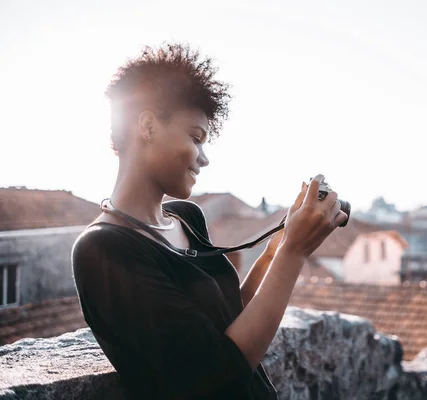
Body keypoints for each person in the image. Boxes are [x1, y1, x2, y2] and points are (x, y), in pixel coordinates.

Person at [71, 42, 347, 400]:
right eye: (196, 138)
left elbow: (230, 321)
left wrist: (277, 248)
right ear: (148, 125)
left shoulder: (187, 218)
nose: (204, 158)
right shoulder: (103, 248)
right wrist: (294, 253)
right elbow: (214, 378)